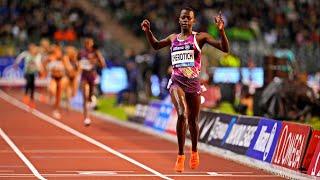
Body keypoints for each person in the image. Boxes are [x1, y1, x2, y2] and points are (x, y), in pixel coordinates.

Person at [141, 7, 229, 172]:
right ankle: (180, 155)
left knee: (193, 122)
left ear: (193, 21)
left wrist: (221, 31)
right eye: (183, 18)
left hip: (194, 85)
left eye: (188, 18)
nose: (185, 20)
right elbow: (156, 45)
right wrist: (148, 31)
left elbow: (225, 49)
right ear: (179, 20)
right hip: (177, 83)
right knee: (182, 113)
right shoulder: (173, 38)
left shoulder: (200, 37)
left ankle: (194, 151)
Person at [78, 37, 106, 126]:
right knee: (85, 97)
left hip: (92, 76)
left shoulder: (96, 53)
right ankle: (86, 117)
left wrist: (95, 61)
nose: (88, 45)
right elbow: (76, 62)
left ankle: (91, 101)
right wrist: (78, 65)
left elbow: (103, 65)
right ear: (85, 44)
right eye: (87, 43)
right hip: (84, 76)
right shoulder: (81, 53)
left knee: (89, 97)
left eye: (90, 44)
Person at [14, 43, 42, 108]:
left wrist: (40, 69)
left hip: (34, 72)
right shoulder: (26, 53)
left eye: (34, 48)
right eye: (31, 48)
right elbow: (19, 57)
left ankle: (31, 98)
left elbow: (39, 63)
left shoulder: (38, 55)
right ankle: (26, 96)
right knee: (28, 82)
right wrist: (16, 64)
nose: (33, 50)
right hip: (27, 72)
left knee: (32, 84)